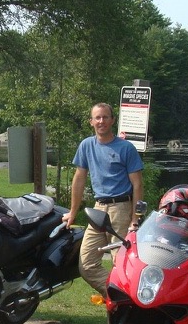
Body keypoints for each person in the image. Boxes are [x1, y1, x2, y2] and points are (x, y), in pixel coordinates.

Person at [62, 103, 144, 297]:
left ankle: (130, 308)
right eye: (97, 118)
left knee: (121, 263)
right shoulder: (86, 145)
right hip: (98, 210)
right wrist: (73, 212)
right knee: (87, 265)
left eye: (105, 117)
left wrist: (135, 219)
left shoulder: (126, 148)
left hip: (121, 209)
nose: (101, 121)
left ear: (112, 120)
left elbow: (138, 185)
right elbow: (79, 179)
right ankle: (119, 299)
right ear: (91, 122)